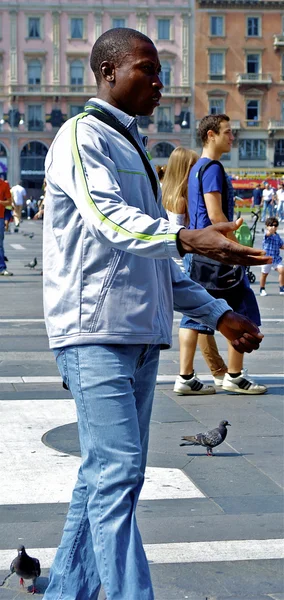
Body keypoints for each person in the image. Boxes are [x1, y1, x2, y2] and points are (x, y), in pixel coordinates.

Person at [42, 29, 270, 600]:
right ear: (108, 72)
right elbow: (109, 221)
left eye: (159, 70)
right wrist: (193, 238)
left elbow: (152, 260)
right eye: (147, 69)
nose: (159, 82)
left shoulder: (132, 145)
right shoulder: (80, 137)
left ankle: (67, 591)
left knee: (102, 479)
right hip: (93, 335)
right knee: (117, 478)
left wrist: (217, 313)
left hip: (138, 336)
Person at [177, 113, 267, 396]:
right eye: (227, 132)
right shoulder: (213, 168)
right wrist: (237, 251)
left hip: (198, 252)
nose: (232, 137)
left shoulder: (196, 169)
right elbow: (216, 214)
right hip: (216, 253)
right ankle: (235, 375)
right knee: (243, 309)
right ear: (210, 135)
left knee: (193, 313)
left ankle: (186, 377)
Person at [162, 146, 227, 394]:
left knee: (201, 317)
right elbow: (183, 234)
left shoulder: (166, 195)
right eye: (192, 167)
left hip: (172, 260)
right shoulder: (180, 199)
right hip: (183, 261)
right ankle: (192, 374)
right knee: (197, 316)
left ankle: (217, 370)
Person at [259, 217, 284, 296]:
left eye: (275, 225)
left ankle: (281, 287)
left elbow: (281, 245)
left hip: (276, 258)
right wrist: (270, 231)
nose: (273, 227)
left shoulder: (277, 236)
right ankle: (262, 288)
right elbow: (267, 234)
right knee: (264, 274)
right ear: (267, 226)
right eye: (271, 225)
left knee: (282, 270)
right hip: (267, 258)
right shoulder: (266, 235)